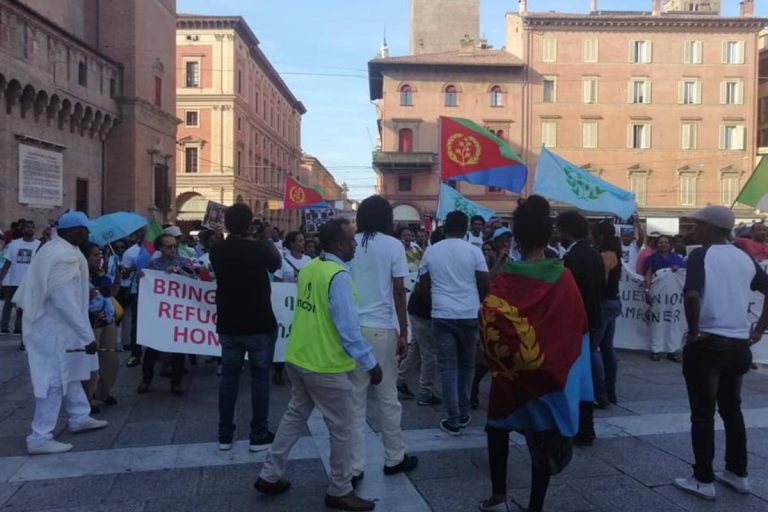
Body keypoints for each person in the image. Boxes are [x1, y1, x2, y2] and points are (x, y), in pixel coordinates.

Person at [255, 219, 382, 511]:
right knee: (343, 427)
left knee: (294, 416)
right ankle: (340, 489)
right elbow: (348, 330)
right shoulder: (338, 276)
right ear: (338, 244)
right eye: (351, 240)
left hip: (299, 356)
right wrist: (371, 363)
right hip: (326, 365)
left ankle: (269, 474)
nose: (355, 245)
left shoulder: (312, 267)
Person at [478, 196, 592, 512]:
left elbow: (488, 317)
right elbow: (577, 325)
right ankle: (535, 506)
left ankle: (498, 497)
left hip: (509, 374)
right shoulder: (563, 277)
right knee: (542, 436)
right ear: (548, 236)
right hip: (547, 377)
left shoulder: (505, 277)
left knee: (497, 427)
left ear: (517, 237)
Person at [673, 205, 768, 501]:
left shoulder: (701, 255)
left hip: (708, 343)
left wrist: (694, 331)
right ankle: (738, 473)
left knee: (702, 414)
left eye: (696, 225)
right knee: (732, 410)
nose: (692, 230)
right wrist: (758, 330)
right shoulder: (744, 256)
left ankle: (703, 479)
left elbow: (692, 294)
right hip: (738, 344)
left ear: (710, 227)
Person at [13, 212, 107, 454]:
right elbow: (64, 302)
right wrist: (87, 337)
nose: (88, 233)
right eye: (85, 229)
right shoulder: (63, 256)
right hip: (52, 329)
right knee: (52, 381)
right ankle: (39, 437)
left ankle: (79, 416)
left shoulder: (59, 248)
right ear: (73, 230)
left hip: (62, 328)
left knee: (72, 372)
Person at [349, 195, 418, 482]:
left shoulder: (349, 243)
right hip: (382, 329)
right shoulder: (393, 245)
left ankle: (354, 468)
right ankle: (394, 457)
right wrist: (404, 331)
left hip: (353, 330)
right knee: (388, 397)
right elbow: (399, 291)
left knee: (354, 402)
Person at [209, 203, 282, 452]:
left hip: (229, 323)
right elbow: (276, 264)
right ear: (250, 224)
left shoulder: (217, 250)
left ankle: (225, 434)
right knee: (260, 379)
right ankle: (258, 433)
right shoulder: (259, 248)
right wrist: (264, 238)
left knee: (229, 378)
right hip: (259, 322)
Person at [420, 211, 490, 435]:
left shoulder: (431, 251)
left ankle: (453, 419)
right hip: (469, 313)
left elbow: (423, 285)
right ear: (466, 228)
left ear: (445, 227)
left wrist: (436, 301)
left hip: (442, 314)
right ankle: (464, 411)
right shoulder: (474, 251)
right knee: (467, 366)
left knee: (447, 367)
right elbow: (485, 282)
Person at [557, 210, 604, 446]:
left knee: (575, 376)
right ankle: (587, 427)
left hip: (575, 322)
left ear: (566, 231)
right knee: (585, 376)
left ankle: (577, 426)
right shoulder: (593, 253)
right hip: (591, 320)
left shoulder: (573, 257)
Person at [137, 234, 196, 396]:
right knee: (152, 348)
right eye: (169, 246)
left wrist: (179, 272)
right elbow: (144, 282)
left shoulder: (183, 262)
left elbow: (194, 281)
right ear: (160, 248)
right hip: (159, 313)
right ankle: (146, 379)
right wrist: (142, 277)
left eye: (175, 246)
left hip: (177, 313)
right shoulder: (153, 264)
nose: (173, 249)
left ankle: (176, 383)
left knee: (178, 350)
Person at [400, 230, 445, 407]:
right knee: (428, 353)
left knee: (417, 348)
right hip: (424, 310)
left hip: (417, 308)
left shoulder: (430, 255)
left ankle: (400, 378)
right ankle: (425, 392)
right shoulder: (437, 257)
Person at [82, 243, 119, 409]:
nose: (99, 258)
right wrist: (94, 290)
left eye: (100, 255)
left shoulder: (101, 272)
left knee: (110, 359)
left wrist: (117, 278)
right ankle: (87, 398)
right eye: (95, 255)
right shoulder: (79, 274)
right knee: (90, 362)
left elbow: (112, 294)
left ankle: (104, 392)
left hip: (107, 320)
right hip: (91, 322)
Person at [592, 220, 623, 407]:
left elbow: (601, 281)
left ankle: (601, 394)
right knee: (607, 347)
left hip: (604, 303)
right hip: (613, 301)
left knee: (592, 349)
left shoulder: (606, 255)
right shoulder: (615, 252)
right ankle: (610, 391)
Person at [643, 235, 686, 362]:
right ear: (657, 244)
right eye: (661, 242)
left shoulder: (677, 259)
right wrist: (647, 291)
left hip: (674, 297)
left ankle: (672, 350)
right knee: (657, 322)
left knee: (673, 322)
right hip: (658, 294)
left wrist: (678, 269)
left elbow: (683, 275)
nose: (663, 244)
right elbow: (648, 276)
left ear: (670, 244)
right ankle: (656, 349)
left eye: (666, 242)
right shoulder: (651, 258)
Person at [0, 220, 40, 335]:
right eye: (27, 227)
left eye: (32, 227)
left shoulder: (39, 245)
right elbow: (7, 263)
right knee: (9, 305)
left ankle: (19, 328)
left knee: (24, 307)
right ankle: (4, 327)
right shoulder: (14, 244)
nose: (30, 229)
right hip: (14, 281)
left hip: (30, 282)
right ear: (22, 230)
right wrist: (1, 279)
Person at [121, 228, 151, 368]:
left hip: (154, 293)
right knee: (137, 323)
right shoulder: (130, 252)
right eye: (140, 232)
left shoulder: (156, 251)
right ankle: (136, 353)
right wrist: (130, 270)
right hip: (136, 291)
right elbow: (124, 275)